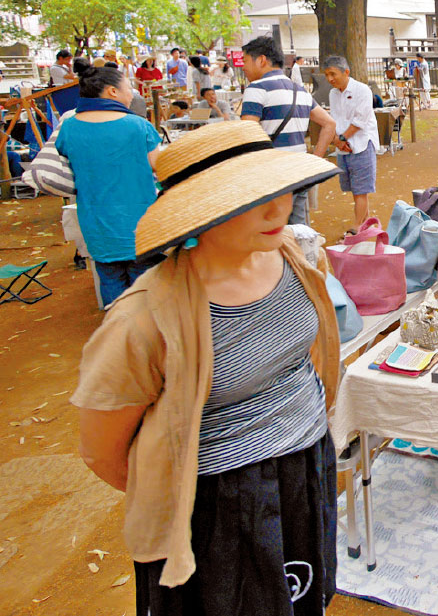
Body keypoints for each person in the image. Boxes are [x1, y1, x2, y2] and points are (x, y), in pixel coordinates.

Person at [72, 120, 341, 614]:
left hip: (304, 470)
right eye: (247, 197)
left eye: (277, 189)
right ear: (202, 212)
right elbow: (103, 453)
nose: (277, 207)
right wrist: (200, 494)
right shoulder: (145, 317)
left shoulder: (288, 253)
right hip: (220, 507)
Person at [54, 61, 161, 306]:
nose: (131, 93)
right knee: (145, 290)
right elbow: (160, 166)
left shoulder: (69, 126)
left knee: (112, 287)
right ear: (112, 91)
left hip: (97, 224)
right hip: (139, 224)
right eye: (128, 87)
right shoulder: (137, 125)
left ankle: (119, 335)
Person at [240, 35, 336, 228]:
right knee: (299, 232)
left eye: (245, 61)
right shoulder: (299, 90)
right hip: (299, 172)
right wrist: (315, 160)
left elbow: (246, 133)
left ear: (261, 60)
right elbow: (329, 124)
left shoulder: (256, 89)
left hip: (270, 177)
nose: (243, 67)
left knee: (271, 232)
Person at [323, 55, 379, 230]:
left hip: (362, 143)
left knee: (360, 190)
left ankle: (357, 227)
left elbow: (360, 120)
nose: (330, 79)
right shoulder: (333, 93)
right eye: (327, 75)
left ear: (346, 72)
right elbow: (335, 119)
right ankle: (365, 224)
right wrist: (337, 141)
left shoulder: (362, 90)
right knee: (354, 188)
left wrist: (342, 138)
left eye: (333, 74)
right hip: (343, 146)